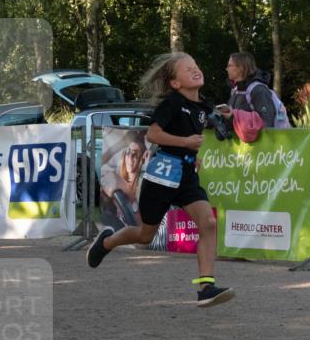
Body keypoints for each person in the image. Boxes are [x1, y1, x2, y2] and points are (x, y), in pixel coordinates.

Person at [86, 53, 233, 308]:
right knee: (145, 235)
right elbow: (153, 134)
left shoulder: (202, 105)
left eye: (196, 66)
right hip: (163, 174)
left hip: (187, 175)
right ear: (175, 83)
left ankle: (206, 288)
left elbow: (212, 116)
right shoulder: (171, 104)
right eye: (188, 69)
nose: (195, 70)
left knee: (208, 222)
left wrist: (226, 115)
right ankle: (107, 242)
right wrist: (186, 143)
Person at [99, 130, 149, 230]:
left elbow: (140, 223)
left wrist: (126, 190)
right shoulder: (117, 173)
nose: (130, 157)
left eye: (135, 154)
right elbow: (100, 163)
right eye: (127, 152)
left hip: (133, 230)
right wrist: (121, 143)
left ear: (143, 157)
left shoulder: (143, 183)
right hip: (117, 226)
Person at [218, 52, 277, 128]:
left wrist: (233, 117)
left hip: (262, 140)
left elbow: (267, 123)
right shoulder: (235, 90)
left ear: (241, 68)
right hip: (243, 140)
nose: (226, 69)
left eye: (229, 65)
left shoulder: (259, 90)